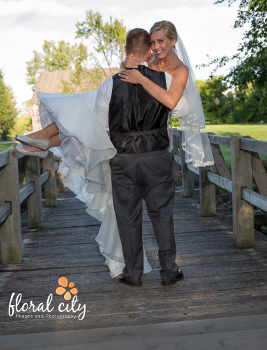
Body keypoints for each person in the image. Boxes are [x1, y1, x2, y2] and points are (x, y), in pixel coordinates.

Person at [14, 21, 213, 284]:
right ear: (147, 51)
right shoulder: (167, 79)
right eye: (153, 43)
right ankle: (168, 272)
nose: (156, 48)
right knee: (162, 215)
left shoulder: (110, 85)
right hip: (156, 157)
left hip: (123, 160)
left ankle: (132, 275)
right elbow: (179, 108)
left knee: (127, 218)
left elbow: (100, 127)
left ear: (127, 49)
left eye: (161, 42)